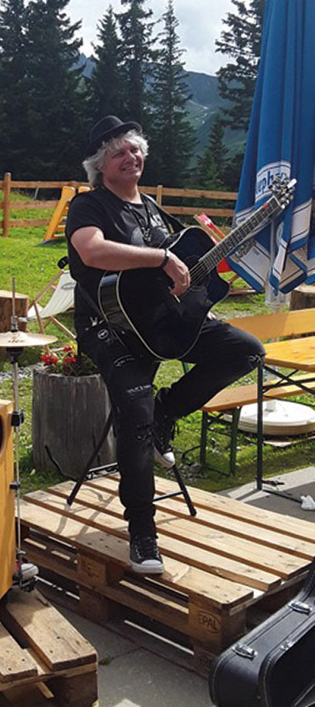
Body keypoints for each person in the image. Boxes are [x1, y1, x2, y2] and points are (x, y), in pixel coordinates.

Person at [66, 116, 265, 575]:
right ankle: (143, 532)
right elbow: (93, 252)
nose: (131, 157)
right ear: (101, 164)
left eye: (135, 149)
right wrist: (162, 257)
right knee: (134, 414)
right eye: (119, 152)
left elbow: (188, 267)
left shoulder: (154, 210)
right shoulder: (89, 206)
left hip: (162, 323)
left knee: (246, 350)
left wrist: (199, 300)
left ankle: (169, 411)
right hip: (110, 328)